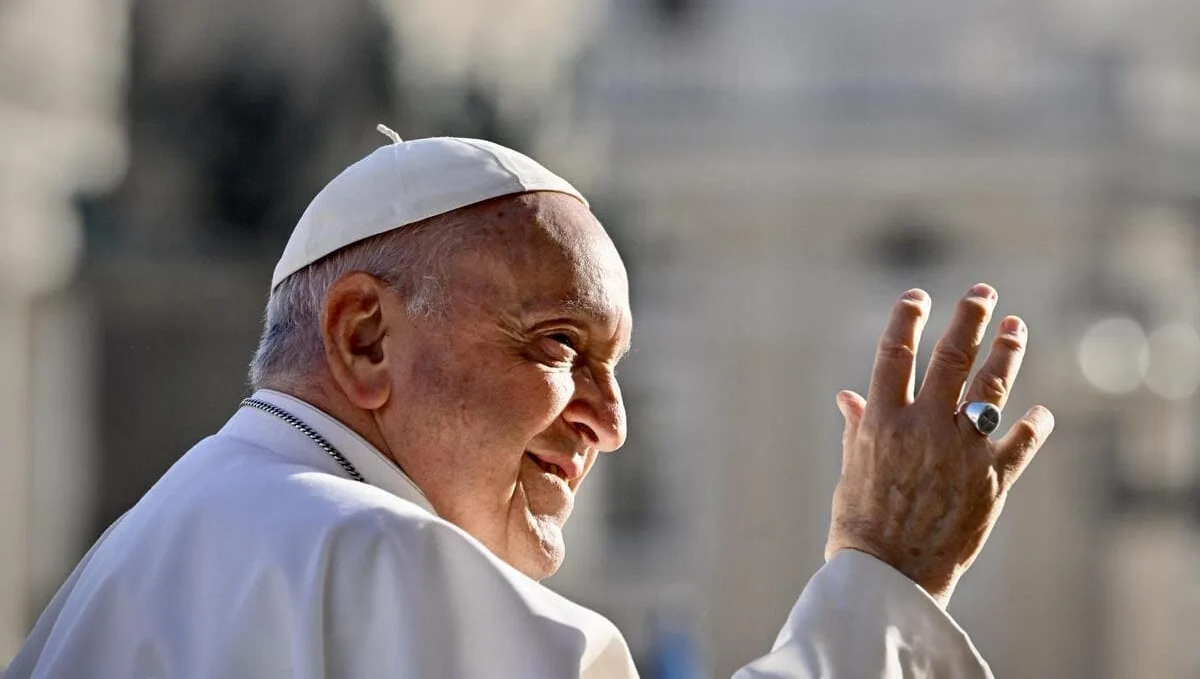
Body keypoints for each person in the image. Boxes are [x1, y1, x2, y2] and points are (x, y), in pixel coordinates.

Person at [6, 134, 1054, 678]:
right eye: (562, 346)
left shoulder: (147, 548)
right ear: (365, 336)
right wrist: (882, 578)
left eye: (619, 367)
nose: (611, 420)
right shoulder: (372, 556)